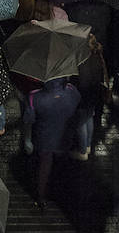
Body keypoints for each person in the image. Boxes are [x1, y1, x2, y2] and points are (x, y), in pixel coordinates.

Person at [23, 76, 80, 207]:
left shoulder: (34, 97)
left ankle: (41, 197)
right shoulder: (73, 91)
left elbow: (29, 119)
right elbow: (77, 105)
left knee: (44, 167)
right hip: (65, 137)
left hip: (44, 139)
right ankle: (61, 194)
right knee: (62, 165)